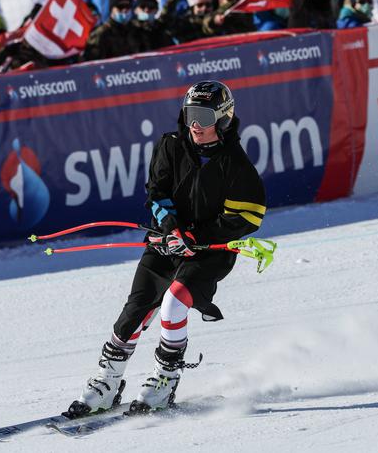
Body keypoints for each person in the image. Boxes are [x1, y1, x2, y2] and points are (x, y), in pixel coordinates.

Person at [64, 80, 266, 417]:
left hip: (210, 251)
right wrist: (172, 229)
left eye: (204, 116)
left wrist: (195, 236)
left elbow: (247, 216)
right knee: (135, 312)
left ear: (224, 119)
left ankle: (166, 378)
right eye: (190, 115)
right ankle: (107, 382)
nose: (196, 125)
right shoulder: (171, 146)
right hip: (165, 243)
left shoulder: (236, 165)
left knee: (174, 301)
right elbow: (156, 193)